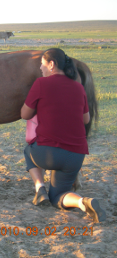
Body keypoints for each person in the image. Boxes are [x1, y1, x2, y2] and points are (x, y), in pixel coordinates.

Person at [21, 48, 106, 223]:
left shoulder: (40, 84)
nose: (41, 69)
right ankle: (83, 202)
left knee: (28, 150)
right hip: (75, 155)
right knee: (58, 196)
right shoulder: (78, 87)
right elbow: (86, 118)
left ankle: (39, 188)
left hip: (47, 153)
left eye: (42, 65)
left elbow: (25, 114)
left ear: (51, 65)